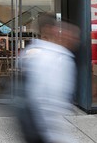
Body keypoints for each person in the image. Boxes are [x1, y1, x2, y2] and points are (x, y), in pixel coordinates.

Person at [16, 13, 80, 143]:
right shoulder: (56, 56)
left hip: (35, 123)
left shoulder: (30, 51)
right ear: (51, 29)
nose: (74, 39)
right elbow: (47, 97)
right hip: (43, 126)